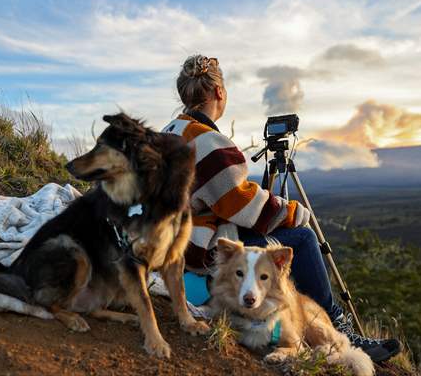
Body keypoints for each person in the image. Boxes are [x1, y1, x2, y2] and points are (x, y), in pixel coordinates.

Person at [162, 55, 401, 363]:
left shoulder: (171, 130)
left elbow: (222, 198)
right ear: (220, 92)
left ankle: (296, 320)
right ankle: (339, 328)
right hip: (193, 251)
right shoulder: (207, 141)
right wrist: (290, 211)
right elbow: (240, 203)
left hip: (168, 239)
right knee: (301, 236)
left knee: (274, 229)